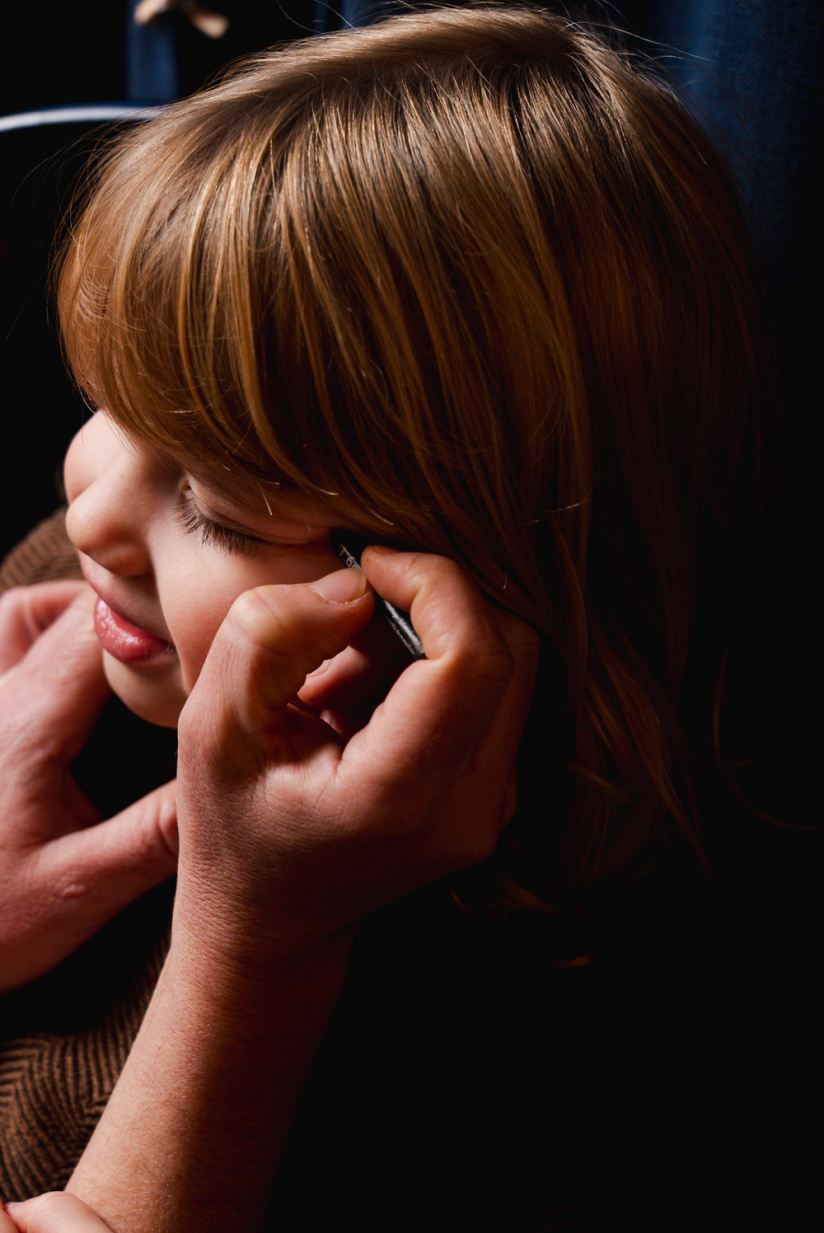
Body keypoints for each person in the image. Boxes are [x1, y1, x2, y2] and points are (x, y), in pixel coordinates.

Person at [0, 5, 777, 1230]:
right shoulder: (72, 605)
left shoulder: (492, 1063)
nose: (92, 511)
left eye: (218, 508)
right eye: (105, 403)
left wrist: (253, 953)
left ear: (456, 597)